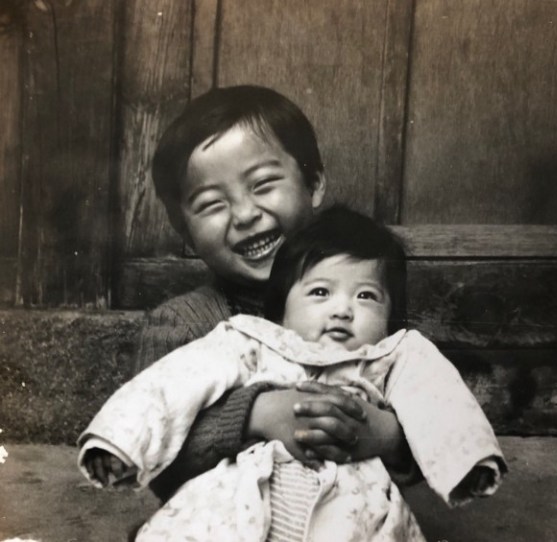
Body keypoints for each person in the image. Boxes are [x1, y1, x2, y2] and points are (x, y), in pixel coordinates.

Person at [79, 206, 507, 541]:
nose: (343, 309)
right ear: (282, 307)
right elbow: (173, 382)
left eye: (366, 296)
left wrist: (466, 461)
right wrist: (121, 441)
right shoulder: (251, 339)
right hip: (246, 494)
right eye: (320, 292)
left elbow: (441, 401)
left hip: (353, 502)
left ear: (391, 314)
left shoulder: (396, 355)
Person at [116, 85, 414, 503]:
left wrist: (388, 434)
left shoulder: (361, 304)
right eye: (211, 203)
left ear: (314, 184)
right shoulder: (181, 325)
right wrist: (256, 415)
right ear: (183, 231)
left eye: (262, 184)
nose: (244, 214)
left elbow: (436, 415)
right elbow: (153, 454)